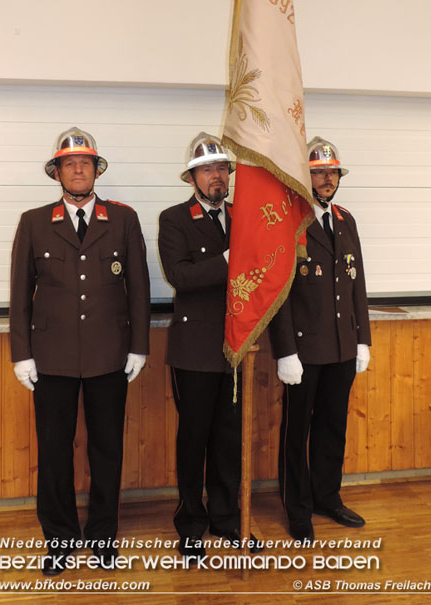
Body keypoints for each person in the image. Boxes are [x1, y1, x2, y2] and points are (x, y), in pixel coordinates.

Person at [9, 127, 150, 576]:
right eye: (69, 164)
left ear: (95, 170)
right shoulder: (33, 221)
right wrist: (21, 353)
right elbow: (19, 293)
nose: (77, 169)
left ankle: (104, 538)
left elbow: (140, 289)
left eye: (85, 163)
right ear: (57, 172)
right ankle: (60, 538)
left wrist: (139, 347)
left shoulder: (124, 219)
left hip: (110, 354)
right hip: (51, 358)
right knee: (54, 451)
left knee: (107, 449)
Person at [158, 133, 260, 560]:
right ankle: (191, 523)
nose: (216, 176)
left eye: (221, 169)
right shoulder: (175, 219)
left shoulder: (247, 218)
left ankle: (226, 518)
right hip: (195, 349)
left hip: (238, 347)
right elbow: (179, 276)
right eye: (207, 170)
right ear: (192, 177)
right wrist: (227, 259)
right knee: (194, 439)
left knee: (228, 438)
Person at [269, 137, 371, 541]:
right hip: (304, 349)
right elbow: (278, 292)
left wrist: (363, 338)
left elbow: (356, 283)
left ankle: (328, 497)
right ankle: (298, 509)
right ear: (304, 176)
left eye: (331, 173)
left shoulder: (346, 220)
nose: (326, 179)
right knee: (297, 431)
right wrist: (285, 351)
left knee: (333, 426)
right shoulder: (288, 220)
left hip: (342, 346)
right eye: (318, 173)